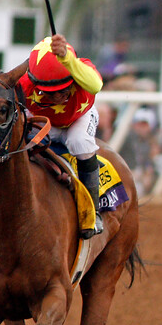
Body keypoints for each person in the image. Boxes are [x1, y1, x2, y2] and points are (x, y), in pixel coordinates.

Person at [19, 35, 104, 239]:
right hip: (46, 123)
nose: (58, 97)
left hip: (80, 117)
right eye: (50, 93)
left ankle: (93, 212)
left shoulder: (82, 67)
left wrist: (66, 59)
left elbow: (96, 86)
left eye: (63, 90)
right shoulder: (23, 84)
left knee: (79, 142)